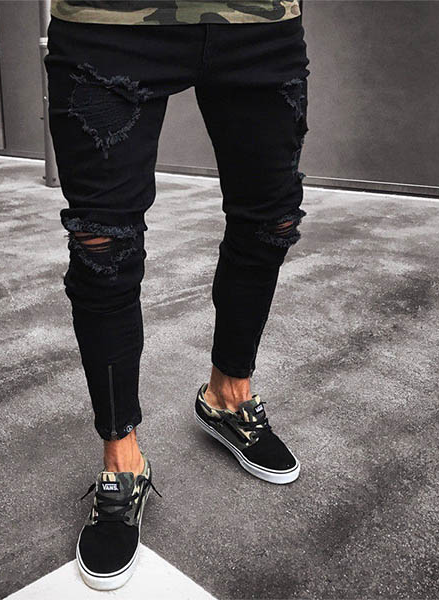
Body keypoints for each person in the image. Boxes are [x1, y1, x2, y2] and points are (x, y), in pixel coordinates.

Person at [44, 0, 310, 591]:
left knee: (271, 222)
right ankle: (122, 459)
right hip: (108, 23)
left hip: (258, 24)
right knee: (102, 248)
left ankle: (228, 396)